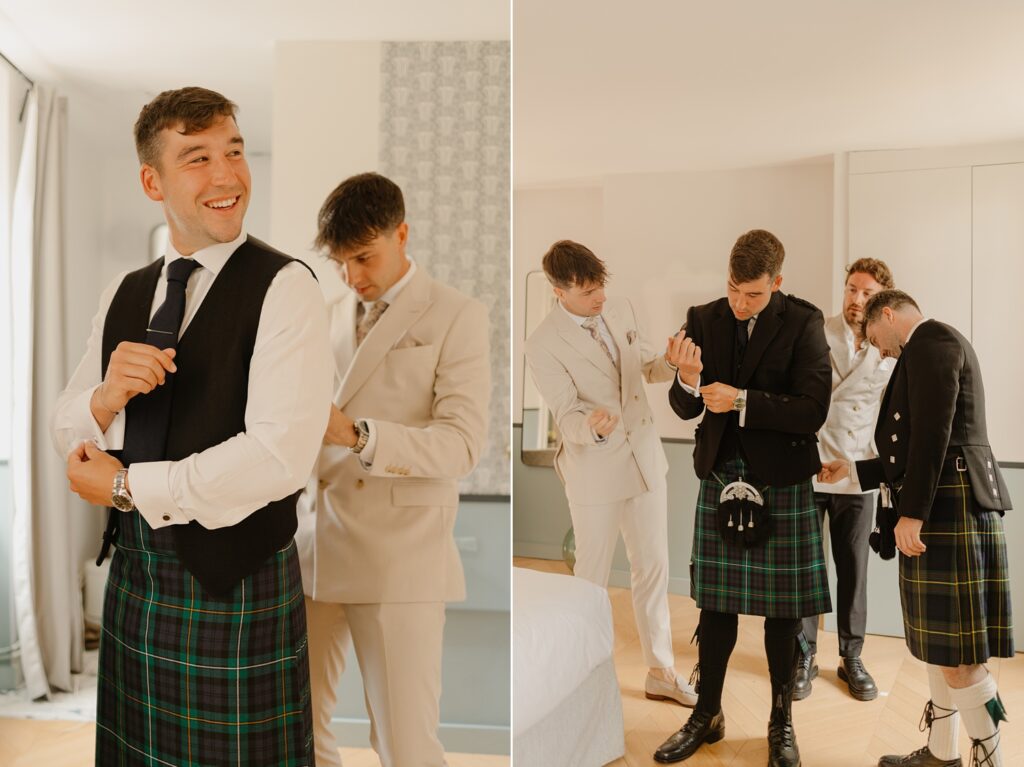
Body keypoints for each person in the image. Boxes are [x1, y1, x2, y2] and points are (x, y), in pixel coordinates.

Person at [53, 86, 332, 765]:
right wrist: (103, 397)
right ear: (153, 181)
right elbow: (69, 426)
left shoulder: (286, 285)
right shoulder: (124, 290)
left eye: (233, 152)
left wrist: (125, 485)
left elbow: (278, 457)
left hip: (235, 585)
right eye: (198, 158)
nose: (227, 175)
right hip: (136, 582)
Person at [296, 172, 491, 767]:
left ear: (402, 234)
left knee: (405, 745)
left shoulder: (458, 316)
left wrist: (357, 435)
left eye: (364, 257)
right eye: (339, 263)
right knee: (299, 732)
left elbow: (461, 445)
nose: (354, 277)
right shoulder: (324, 315)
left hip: (400, 556)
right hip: (312, 548)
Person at [654, 229, 832, 766]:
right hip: (720, 474)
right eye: (732, 288)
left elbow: (812, 408)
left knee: (783, 613)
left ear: (777, 283)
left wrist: (744, 402)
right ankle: (707, 713)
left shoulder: (804, 321)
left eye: (752, 294)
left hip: (780, 479)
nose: (738, 302)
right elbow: (686, 409)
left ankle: (781, 721)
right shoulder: (704, 317)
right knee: (715, 605)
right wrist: (686, 379)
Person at [820, 289, 1013, 767]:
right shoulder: (927, 347)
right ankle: (940, 755)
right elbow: (905, 447)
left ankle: (991, 762)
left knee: (960, 661)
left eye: (876, 338)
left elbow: (933, 433)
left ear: (888, 314)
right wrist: (853, 470)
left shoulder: (931, 341)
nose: (879, 350)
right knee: (942, 647)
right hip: (947, 504)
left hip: (949, 507)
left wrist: (913, 513)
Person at [524, 239, 697, 708]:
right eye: (586, 291)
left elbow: (646, 367)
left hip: (644, 459)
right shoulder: (541, 343)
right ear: (559, 292)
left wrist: (674, 363)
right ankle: (580, 676)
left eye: (600, 284)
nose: (598, 297)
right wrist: (591, 427)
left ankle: (661, 670)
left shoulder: (619, 309)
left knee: (654, 568)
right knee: (591, 578)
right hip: (594, 468)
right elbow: (565, 410)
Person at [796, 258, 896, 702]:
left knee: (853, 569)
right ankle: (803, 656)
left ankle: (851, 656)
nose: (857, 300)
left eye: (867, 293)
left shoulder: (891, 346)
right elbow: (798, 394)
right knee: (805, 567)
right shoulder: (815, 331)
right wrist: (808, 451)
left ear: (882, 299)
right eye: (852, 290)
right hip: (811, 462)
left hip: (858, 469)